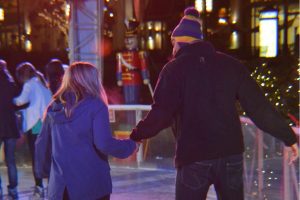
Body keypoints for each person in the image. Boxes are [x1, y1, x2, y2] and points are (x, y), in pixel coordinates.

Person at [129, 7, 298, 200]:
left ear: (179, 42)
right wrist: (288, 137)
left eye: (173, 43)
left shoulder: (173, 70)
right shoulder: (231, 66)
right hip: (230, 154)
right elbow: (259, 108)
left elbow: (161, 114)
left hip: (194, 156)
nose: (172, 49)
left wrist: (137, 135)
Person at [35, 62, 138, 200]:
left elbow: (42, 144)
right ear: (91, 80)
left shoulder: (53, 107)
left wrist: (46, 173)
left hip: (59, 188)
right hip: (91, 186)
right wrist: (131, 145)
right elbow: (103, 143)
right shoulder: (96, 106)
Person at [14, 62, 52, 198]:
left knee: (36, 157)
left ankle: (39, 186)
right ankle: (51, 186)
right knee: (47, 155)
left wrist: (9, 101)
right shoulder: (42, 83)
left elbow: (21, 101)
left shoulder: (29, 84)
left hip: (35, 124)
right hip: (47, 123)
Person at [116, 19, 150, 105]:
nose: (128, 41)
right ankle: (129, 118)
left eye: (131, 38)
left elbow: (143, 66)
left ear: (136, 40)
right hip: (125, 79)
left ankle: (136, 118)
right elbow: (119, 68)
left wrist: (145, 77)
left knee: (135, 100)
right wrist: (119, 78)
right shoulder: (120, 55)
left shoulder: (140, 54)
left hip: (135, 79)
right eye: (126, 38)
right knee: (127, 101)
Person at [0, 60, 20, 199]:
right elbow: (17, 100)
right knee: (11, 160)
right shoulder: (11, 83)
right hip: (10, 124)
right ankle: (13, 190)